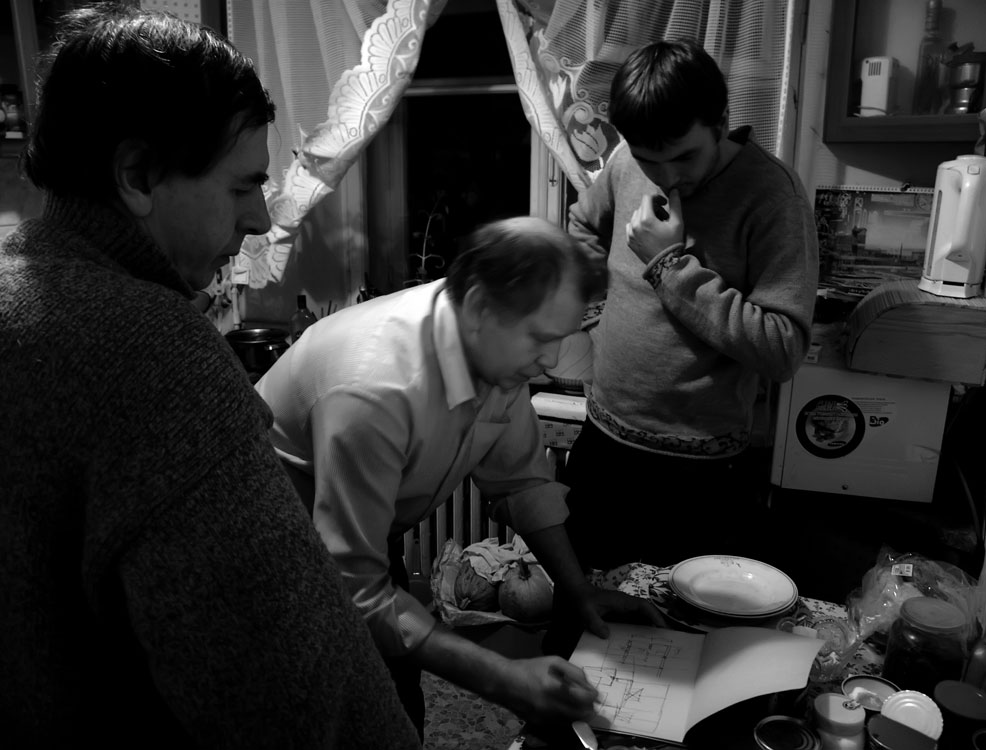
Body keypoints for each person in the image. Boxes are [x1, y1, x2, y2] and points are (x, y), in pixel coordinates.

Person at [0, 5, 419, 749]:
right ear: (137, 175)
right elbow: (295, 692)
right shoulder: (155, 352)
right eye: (241, 186)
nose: (260, 218)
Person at [254, 215, 666, 738]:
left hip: (357, 544)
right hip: (273, 557)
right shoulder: (373, 390)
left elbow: (521, 481)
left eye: (560, 338)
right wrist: (504, 678)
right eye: (540, 338)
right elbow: (355, 590)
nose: (549, 360)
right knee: (327, 717)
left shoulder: (494, 344)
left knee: (396, 703)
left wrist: (578, 590)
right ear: (476, 307)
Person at [563, 39, 820, 571]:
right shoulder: (624, 163)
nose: (667, 177)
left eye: (685, 157)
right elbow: (583, 223)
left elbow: (782, 349)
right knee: (584, 601)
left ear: (721, 123)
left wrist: (668, 266)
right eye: (649, 160)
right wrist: (595, 313)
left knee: (684, 619)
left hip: (701, 472)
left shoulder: (773, 196)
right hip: (603, 441)